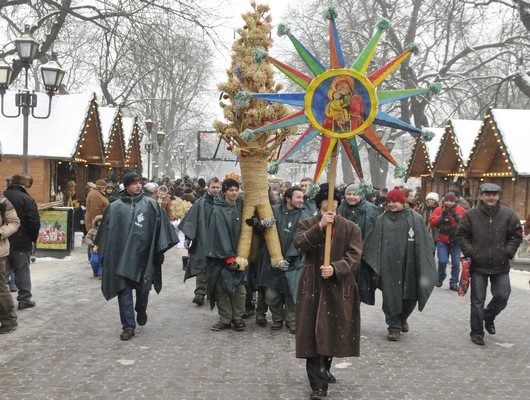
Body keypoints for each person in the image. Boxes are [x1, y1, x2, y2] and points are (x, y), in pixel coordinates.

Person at [294, 183, 362, 400]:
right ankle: (318, 383)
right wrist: (320, 227)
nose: (331, 204)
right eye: (326, 200)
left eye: (334, 200)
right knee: (312, 333)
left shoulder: (351, 227)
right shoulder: (307, 223)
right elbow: (299, 244)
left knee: (332, 328)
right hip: (312, 284)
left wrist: (336, 268)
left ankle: (325, 364)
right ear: (319, 203)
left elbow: (354, 256)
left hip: (338, 284)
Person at [95, 173, 179, 340]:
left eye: (139, 183)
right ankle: (128, 326)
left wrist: (158, 251)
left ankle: (141, 309)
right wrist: (106, 255)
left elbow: (161, 228)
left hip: (144, 257)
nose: (138, 186)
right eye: (133, 184)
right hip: (121, 259)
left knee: (143, 290)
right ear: (126, 186)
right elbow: (106, 233)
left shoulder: (151, 205)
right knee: (123, 291)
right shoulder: (115, 207)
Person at [363, 187, 437, 341]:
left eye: (395, 201)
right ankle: (394, 326)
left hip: (410, 264)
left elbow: (426, 242)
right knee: (390, 296)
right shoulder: (381, 220)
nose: (391, 204)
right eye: (389, 201)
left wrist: (423, 259)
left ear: (402, 202)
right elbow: (372, 242)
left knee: (411, 296)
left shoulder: (415, 219)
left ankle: (403, 317)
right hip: (388, 266)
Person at [455, 183, 522, 346]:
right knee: (477, 300)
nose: (491, 197)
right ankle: (477, 332)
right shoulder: (471, 215)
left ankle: (488, 316)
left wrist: (507, 252)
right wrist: (471, 251)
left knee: (502, 296)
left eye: (494, 194)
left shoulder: (508, 214)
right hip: (478, 265)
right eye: (487, 194)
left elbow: (516, 235)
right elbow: (461, 235)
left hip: (501, 265)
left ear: (498, 196)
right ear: (481, 196)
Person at [257, 186, 310, 334]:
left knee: (292, 294)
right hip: (271, 259)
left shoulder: (305, 216)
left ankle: (292, 321)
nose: (301, 200)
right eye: (298, 197)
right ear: (288, 198)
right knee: (271, 295)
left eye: (302, 197)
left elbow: (305, 239)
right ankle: (277, 318)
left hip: (294, 261)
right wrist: (261, 225)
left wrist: (290, 257)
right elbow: (258, 231)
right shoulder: (273, 211)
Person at [205, 178, 247, 332]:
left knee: (240, 289)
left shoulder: (242, 206)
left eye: (236, 190)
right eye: (231, 190)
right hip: (220, 256)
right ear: (225, 191)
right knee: (221, 288)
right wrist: (228, 256)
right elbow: (219, 233)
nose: (234, 193)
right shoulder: (218, 210)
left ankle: (238, 317)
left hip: (240, 254)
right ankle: (225, 318)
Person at [179, 177, 221, 306]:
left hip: (219, 241)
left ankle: (213, 293)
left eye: (217, 187)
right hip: (202, 239)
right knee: (202, 267)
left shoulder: (223, 202)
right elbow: (191, 220)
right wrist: (188, 238)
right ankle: (200, 294)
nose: (215, 190)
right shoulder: (200, 203)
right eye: (213, 187)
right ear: (208, 187)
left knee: (216, 267)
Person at [3, 174, 41, 310]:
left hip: (3, 240)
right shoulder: (27, 199)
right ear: (25, 185)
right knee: (22, 270)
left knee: (3, 272)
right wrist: (32, 238)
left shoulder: (3, 196)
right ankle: (24, 299)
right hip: (21, 240)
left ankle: (4, 302)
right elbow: (34, 221)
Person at [430, 192, 466, 291]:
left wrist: (457, 217)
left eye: (451, 201)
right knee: (442, 260)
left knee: (456, 263)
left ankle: (453, 282)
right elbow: (432, 223)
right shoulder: (438, 210)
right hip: (442, 239)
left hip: (456, 241)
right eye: (447, 200)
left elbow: (466, 223)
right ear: (444, 201)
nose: (449, 203)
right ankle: (440, 277)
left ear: (455, 201)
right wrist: (441, 217)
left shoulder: (460, 210)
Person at [0, 191, 21, 334]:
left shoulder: (3, 201)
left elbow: (15, 222)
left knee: (0, 288)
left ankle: (9, 320)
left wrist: (1, 232)